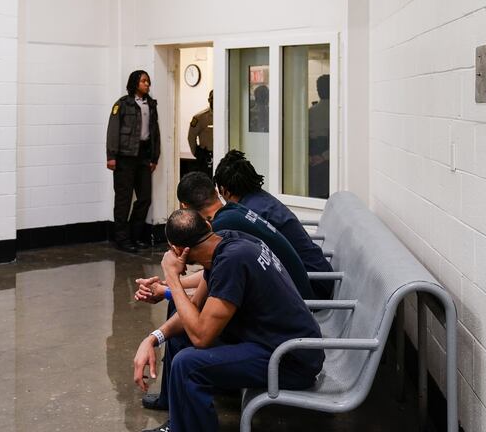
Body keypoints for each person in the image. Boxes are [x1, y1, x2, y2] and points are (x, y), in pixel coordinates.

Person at [133, 171, 314, 412]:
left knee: (188, 363)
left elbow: (202, 336)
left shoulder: (231, 260)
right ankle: (176, 417)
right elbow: (195, 305)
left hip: (289, 359)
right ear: (208, 224)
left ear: (176, 249)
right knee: (180, 332)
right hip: (272, 341)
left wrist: (173, 279)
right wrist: (153, 338)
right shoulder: (225, 239)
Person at [214, 150, 336, 299]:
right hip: (320, 275)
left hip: (312, 285)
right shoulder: (262, 200)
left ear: (225, 191)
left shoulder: (248, 214)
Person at [106, 70, 161, 253]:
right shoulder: (122, 104)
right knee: (124, 199)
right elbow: (113, 130)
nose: (147, 84)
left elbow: (155, 133)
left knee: (144, 198)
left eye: (148, 81)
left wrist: (154, 157)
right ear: (135, 83)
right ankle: (122, 239)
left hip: (144, 156)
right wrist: (111, 156)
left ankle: (135, 236)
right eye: (144, 81)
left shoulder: (151, 105)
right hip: (124, 157)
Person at [308, 74, 330, 199]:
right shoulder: (336, 112)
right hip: (326, 159)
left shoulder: (310, 112)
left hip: (312, 159)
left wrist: (309, 157)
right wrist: (324, 156)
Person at [187, 90, 214, 177]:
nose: (215, 100)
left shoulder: (226, 115)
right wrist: (196, 153)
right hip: (206, 156)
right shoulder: (200, 117)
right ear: (209, 100)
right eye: (212, 98)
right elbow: (191, 137)